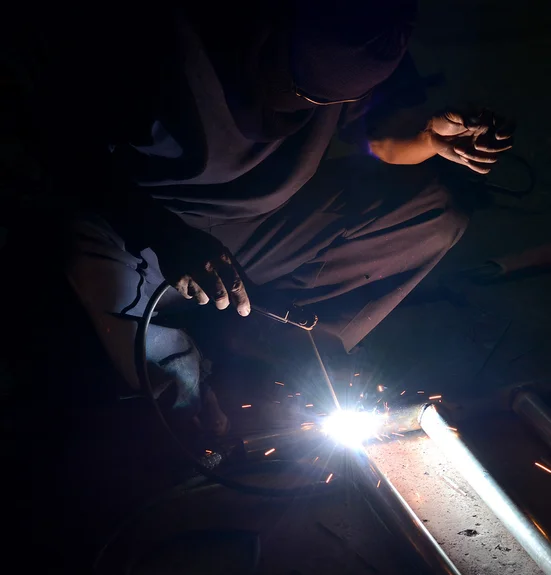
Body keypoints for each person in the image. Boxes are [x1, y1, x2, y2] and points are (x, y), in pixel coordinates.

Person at [3, 1, 513, 434]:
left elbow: (380, 141)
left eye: (327, 104)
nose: (299, 113)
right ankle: (190, 400)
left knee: (437, 213)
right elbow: (67, 156)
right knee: (83, 261)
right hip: (140, 228)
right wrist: (160, 231)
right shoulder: (158, 38)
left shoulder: (369, 25)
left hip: (259, 226)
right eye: (300, 93)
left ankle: (282, 344)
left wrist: (427, 140)